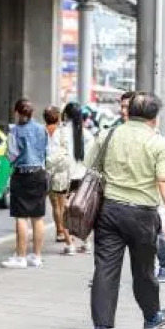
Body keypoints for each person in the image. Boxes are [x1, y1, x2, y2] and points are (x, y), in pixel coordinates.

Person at [87, 92, 165, 329]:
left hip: (109, 212)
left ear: (128, 112)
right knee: (144, 271)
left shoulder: (108, 135)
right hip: (143, 215)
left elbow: (90, 164)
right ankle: (152, 318)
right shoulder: (158, 143)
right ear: (154, 117)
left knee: (105, 269)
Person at [116, 91, 165, 282]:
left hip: (146, 195)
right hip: (120, 197)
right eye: (122, 107)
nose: (123, 111)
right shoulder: (116, 132)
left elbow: (162, 176)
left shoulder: (152, 134)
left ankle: (164, 265)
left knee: (156, 233)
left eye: (126, 107)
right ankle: (107, 275)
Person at [2, 99, 48, 269]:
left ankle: (21, 258)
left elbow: (11, 155)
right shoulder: (42, 129)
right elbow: (46, 152)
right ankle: (36, 256)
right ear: (32, 113)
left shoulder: (14, 132)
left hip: (22, 175)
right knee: (38, 217)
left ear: (16, 112)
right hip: (39, 174)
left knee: (21, 217)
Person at [59, 102, 95, 255]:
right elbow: (92, 158)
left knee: (64, 211)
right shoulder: (87, 134)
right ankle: (87, 243)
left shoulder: (61, 133)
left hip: (65, 178)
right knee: (83, 211)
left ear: (65, 115)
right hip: (83, 178)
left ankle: (70, 245)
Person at [44, 106, 69, 244]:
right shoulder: (62, 132)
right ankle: (64, 232)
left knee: (54, 204)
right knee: (62, 203)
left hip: (47, 170)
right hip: (60, 170)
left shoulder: (42, 131)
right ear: (58, 117)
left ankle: (59, 231)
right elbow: (65, 150)